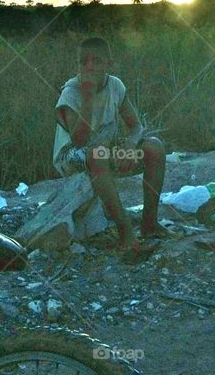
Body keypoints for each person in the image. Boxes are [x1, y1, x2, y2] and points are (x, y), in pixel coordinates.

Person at [54, 36, 172, 262]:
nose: (89, 67)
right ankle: (125, 232)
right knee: (96, 154)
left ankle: (150, 223)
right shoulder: (71, 92)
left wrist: (130, 144)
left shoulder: (115, 86)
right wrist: (88, 98)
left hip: (105, 151)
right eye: (83, 62)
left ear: (108, 64)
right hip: (73, 156)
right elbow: (79, 140)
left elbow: (136, 126)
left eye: (96, 61)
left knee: (154, 147)